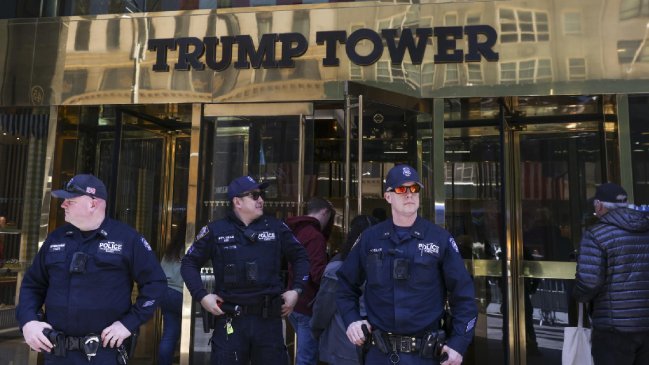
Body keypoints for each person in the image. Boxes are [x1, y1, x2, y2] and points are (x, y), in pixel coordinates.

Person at [16, 174, 167, 365]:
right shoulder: (56, 238)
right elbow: (32, 285)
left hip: (104, 353)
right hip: (58, 352)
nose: (63, 205)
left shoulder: (127, 239)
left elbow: (156, 283)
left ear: (93, 204)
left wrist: (128, 324)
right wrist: (28, 322)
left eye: (70, 201)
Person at [337, 164, 478, 365]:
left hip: (425, 355)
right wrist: (351, 320)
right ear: (388, 197)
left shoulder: (439, 239)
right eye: (402, 189)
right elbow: (344, 286)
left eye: (414, 189)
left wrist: (459, 342)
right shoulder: (370, 239)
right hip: (379, 354)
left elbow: (464, 296)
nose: (409, 195)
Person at [180, 175, 310, 365]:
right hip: (230, 320)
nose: (261, 200)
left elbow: (301, 258)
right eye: (255, 195)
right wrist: (202, 296)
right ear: (237, 202)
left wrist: (296, 290)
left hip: (268, 322)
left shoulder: (276, 228)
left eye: (261, 195)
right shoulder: (216, 230)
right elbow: (188, 263)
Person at [573, 183, 649, 365]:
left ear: (599, 205)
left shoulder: (596, 234)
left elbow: (589, 282)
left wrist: (578, 296)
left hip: (613, 328)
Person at [310, 214, 378, 365]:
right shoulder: (383, 268)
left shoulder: (336, 270)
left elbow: (322, 310)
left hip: (341, 344)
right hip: (377, 345)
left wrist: (315, 331)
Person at [286, 196, 335, 365]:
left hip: (294, 300)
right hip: (307, 303)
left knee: (305, 354)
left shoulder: (297, 231)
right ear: (325, 212)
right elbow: (317, 273)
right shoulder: (315, 236)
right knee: (307, 357)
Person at [158, 221, 186, 365]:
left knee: (169, 333)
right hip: (180, 293)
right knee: (187, 331)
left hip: (164, 292)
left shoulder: (171, 249)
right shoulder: (191, 247)